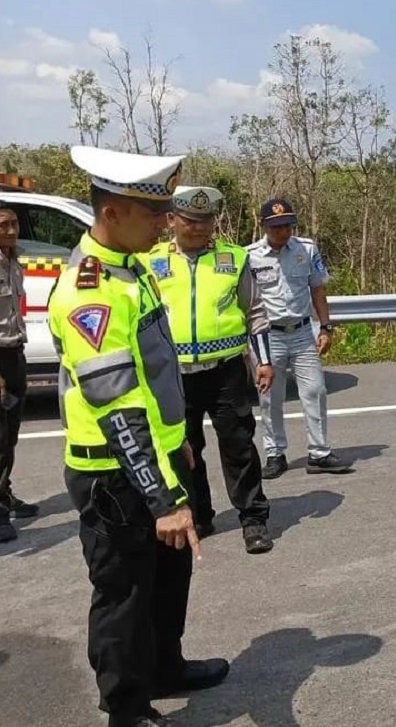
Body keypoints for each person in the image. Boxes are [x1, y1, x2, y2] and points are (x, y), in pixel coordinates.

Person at [48, 145, 229, 727]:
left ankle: (165, 666)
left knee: (171, 574)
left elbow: (157, 374)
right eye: (154, 213)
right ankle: (126, 707)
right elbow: (117, 407)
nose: (165, 223)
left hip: (161, 454)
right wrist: (163, 498)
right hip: (116, 472)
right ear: (113, 213)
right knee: (124, 591)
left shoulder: (133, 269)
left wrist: (180, 441)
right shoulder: (92, 290)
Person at [144, 185, 275, 554]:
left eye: (206, 221)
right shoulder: (150, 260)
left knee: (238, 445)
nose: (199, 228)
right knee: (184, 448)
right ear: (172, 220)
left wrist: (263, 361)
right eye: (190, 221)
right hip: (174, 375)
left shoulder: (234, 258)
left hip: (226, 372)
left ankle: (253, 519)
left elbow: (256, 314)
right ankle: (198, 515)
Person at [248, 198, 350, 478]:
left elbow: (317, 290)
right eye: (276, 226)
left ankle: (319, 453)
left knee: (315, 391)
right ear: (264, 226)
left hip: (303, 332)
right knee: (270, 398)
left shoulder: (307, 249)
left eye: (288, 225)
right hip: (269, 335)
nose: (283, 231)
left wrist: (326, 327)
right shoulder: (249, 256)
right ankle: (274, 453)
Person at [0, 200, 38, 543]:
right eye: (2, 225)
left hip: (14, 356)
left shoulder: (11, 260)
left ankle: (3, 493)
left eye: (14, 224)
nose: (10, 230)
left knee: (10, 434)